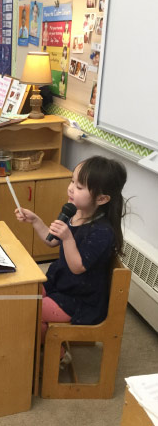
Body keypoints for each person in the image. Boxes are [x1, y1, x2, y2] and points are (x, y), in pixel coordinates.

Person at [15, 155, 127, 364]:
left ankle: (55, 356)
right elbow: (51, 241)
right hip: (61, 284)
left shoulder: (102, 232)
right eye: (72, 181)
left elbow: (77, 267)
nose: (71, 189)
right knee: (22, 292)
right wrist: (36, 221)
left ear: (102, 199)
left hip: (80, 298)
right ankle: (40, 341)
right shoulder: (73, 212)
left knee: (27, 310)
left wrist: (67, 237)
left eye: (80, 186)